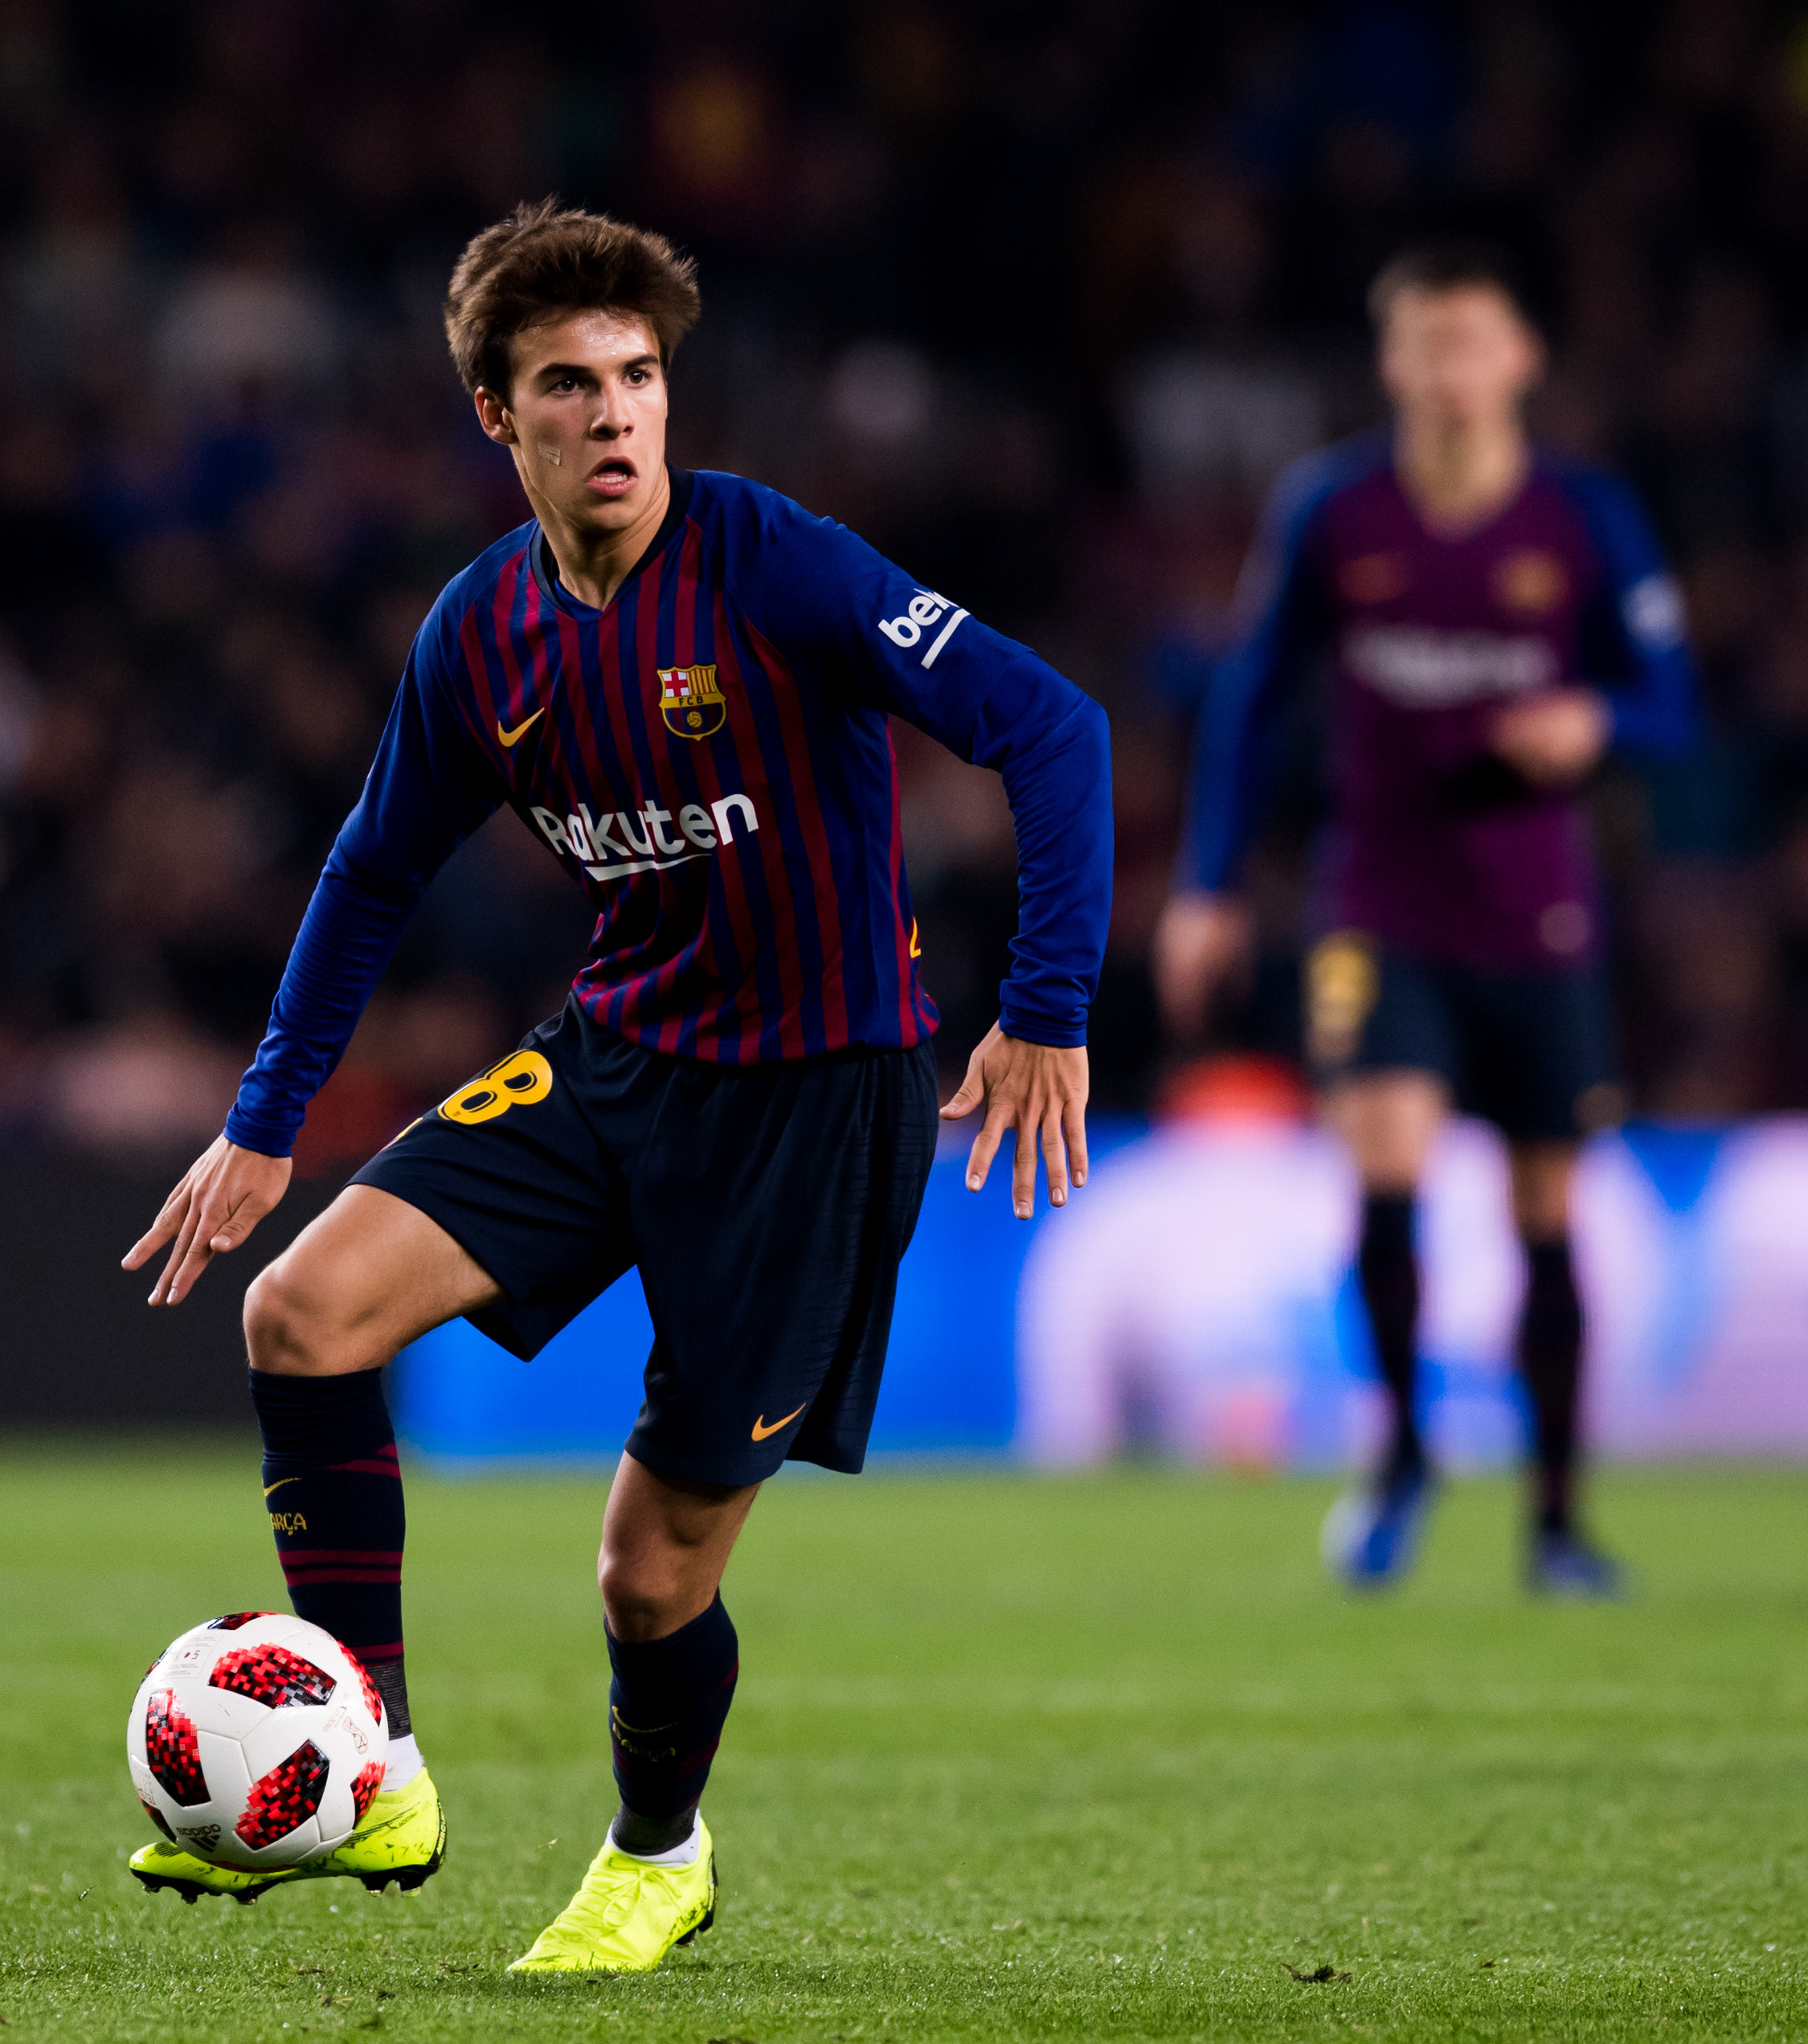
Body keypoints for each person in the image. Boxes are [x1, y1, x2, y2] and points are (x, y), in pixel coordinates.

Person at [120, 201, 1113, 1971]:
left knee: (646, 1576)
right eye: (567, 384)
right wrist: (265, 1118)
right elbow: (367, 871)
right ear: (495, 419)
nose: (614, 415)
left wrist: (1043, 1009)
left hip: (814, 1109)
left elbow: (1052, 725)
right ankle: (378, 1774)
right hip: (619, 1056)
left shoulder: (771, 562)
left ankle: (658, 1851)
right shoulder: (483, 631)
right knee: (302, 1313)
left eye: (640, 378)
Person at [1156, 241, 1699, 1600]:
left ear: (1520, 361)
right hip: (1378, 903)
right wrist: (1211, 882)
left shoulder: (1583, 518)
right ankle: (1401, 1456)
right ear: (1393, 364)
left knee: (1545, 1209)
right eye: (1426, 348)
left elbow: (1675, 702)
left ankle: (1561, 1519)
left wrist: (1599, 719)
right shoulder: (1335, 510)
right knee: (1385, 1168)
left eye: (1476, 345)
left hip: (1537, 912)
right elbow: (1251, 696)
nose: (1452, 374)